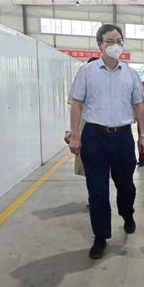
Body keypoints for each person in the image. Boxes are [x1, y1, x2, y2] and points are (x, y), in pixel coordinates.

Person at [69, 24, 144, 259]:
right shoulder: (87, 72)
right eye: (110, 41)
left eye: (119, 41)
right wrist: (75, 135)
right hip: (94, 136)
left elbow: (138, 105)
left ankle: (127, 214)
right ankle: (101, 236)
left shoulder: (130, 74)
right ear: (100, 45)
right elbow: (76, 103)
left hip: (122, 136)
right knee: (97, 190)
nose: (116, 45)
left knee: (126, 185)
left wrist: (142, 134)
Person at [65, 57, 100, 206]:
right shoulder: (80, 84)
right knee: (90, 166)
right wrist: (71, 131)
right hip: (85, 128)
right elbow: (74, 108)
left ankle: (98, 197)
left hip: (104, 129)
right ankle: (94, 197)